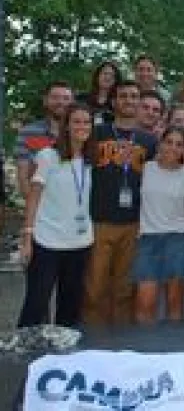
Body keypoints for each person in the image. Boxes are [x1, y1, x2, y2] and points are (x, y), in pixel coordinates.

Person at [84, 80, 158, 326]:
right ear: (114, 102)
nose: (129, 100)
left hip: (134, 223)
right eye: (123, 96)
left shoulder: (149, 140)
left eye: (134, 96)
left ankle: (121, 346)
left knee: (125, 290)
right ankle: (94, 343)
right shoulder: (96, 133)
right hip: (99, 220)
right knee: (94, 290)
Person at [17, 105, 95, 327]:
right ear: (67, 127)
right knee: (37, 304)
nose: (82, 127)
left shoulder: (91, 160)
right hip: (47, 241)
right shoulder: (48, 156)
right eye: (76, 122)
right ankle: (25, 353)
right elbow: (33, 196)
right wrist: (27, 236)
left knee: (70, 306)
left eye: (86, 122)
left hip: (79, 242)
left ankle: (65, 354)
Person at [132, 126, 184, 324]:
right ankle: (145, 351)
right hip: (148, 238)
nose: (173, 148)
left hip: (179, 238)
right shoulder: (145, 168)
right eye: (169, 142)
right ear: (160, 143)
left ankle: (172, 349)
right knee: (145, 302)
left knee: (175, 303)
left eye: (179, 145)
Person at [14, 81, 73, 199]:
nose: (60, 102)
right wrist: (34, 210)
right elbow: (23, 177)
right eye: (55, 97)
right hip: (42, 206)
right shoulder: (28, 132)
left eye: (66, 98)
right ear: (45, 101)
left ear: (72, 103)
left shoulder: (81, 132)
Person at [80, 61, 121, 126]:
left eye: (111, 75)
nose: (108, 77)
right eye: (105, 73)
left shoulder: (119, 101)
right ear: (97, 76)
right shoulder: (82, 98)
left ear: (116, 80)